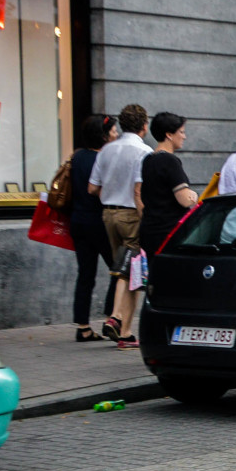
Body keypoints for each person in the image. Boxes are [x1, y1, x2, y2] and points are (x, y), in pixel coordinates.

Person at [89, 104, 152, 349]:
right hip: (131, 215)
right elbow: (140, 189)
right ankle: (118, 321)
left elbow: (92, 188)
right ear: (144, 126)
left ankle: (124, 329)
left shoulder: (106, 150)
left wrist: (112, 189)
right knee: (130, 271)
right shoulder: (144, 151)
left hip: (108, 214)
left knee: (123, 268)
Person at [69, 115, 119, 342]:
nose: (116, 134)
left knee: (85, 275)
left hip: (78, 222)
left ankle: (83, 326)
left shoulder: (76, 157)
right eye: (113, 131)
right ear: (103, 135)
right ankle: (112, 318)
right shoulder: (103, 159)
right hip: (99, 222)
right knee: (119, 271)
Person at [139, 112, 197, 258]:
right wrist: (194, 196)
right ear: (169, 135)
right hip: (168, 232)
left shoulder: (148, 160)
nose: (184, 136)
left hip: (149, 230)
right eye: (181, 132)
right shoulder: (170, 161)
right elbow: (184, 199)